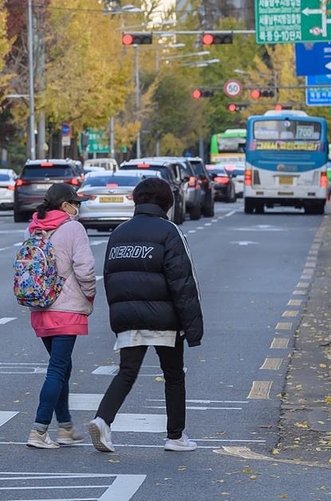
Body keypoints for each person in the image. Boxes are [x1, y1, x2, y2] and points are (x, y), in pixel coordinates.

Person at [87, 175, 203, 455]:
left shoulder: (119, 233)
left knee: (127, 372)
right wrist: (193, 327)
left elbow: (111, 278)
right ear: (167, 203)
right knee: (174, 375)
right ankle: (175, 436)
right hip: (166, 318)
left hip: (128, 316)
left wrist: (118, 317)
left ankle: (102, 420)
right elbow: (183, 283)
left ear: (136, 201)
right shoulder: (170, 232)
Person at [24, 182, 96, 450]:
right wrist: (88, 295)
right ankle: (39, 430)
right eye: (75, 203)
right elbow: (85, 268)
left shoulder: (33, 227)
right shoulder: (73, 228)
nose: (78, 208)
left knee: (62, 366)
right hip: (66, 308)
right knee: (57, 369)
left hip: (40, 306)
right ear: (65, 205)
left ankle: (65, 427)